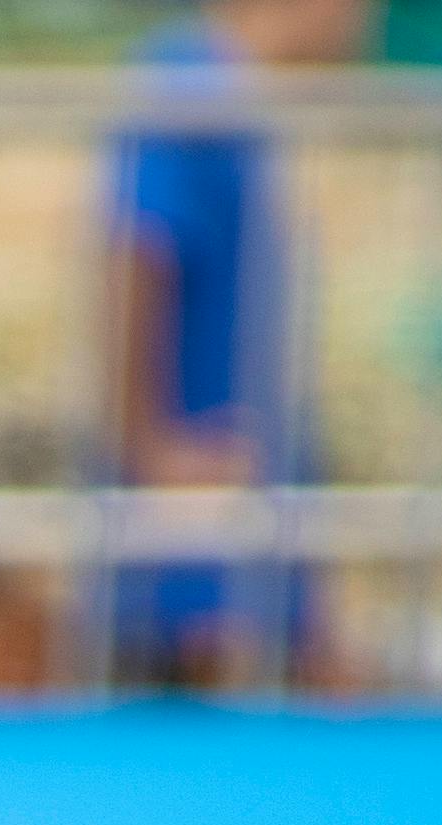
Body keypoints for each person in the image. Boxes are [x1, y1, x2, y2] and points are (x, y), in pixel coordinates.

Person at [106, 0, 379, 688]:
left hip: (244, 501)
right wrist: (150, 442)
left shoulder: (239, 103)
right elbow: (134, 263)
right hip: (198, 525)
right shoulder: (186, 94)